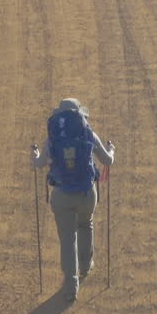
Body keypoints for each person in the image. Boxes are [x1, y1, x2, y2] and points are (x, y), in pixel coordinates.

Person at [32, 97, 115, 302]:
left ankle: (71, 288)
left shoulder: (53, 138)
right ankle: (86, 265)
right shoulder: (88, 133)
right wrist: (112, 148)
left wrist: (33, 153)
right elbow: (107, 160)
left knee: (68, 239)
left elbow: (39, 163)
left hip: (61, 196)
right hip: (87, 194)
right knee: (86, 224)